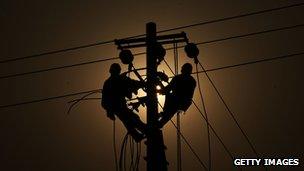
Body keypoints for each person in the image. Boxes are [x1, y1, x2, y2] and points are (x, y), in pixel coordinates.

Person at [101, 63, 146, 142]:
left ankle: (139, 134)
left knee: (130, 120)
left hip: (117, 107)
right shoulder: (117, 80)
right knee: (131, 119)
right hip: (118, 107)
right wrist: (143, 84)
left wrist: (109, 111)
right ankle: (144, 132)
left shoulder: (110, 82)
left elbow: (104, 101)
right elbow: (132, 83)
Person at [158, 63, 196, 128]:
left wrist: (159, 89)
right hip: (182, 103)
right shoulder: (192, 80)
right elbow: (168, 89)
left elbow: (168, 89)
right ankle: (161, 119)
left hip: (178, 101)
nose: (181, 69)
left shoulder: (179, 78)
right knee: (169, 113)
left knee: (169, 111)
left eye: (182, 68)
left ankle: (161, 119)